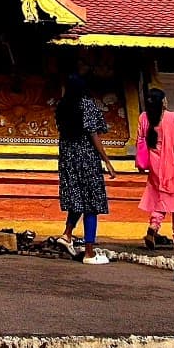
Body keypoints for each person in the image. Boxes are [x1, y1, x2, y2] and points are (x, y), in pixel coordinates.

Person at [55, 74, 118, 265]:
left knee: (77, 199)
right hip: (86, 159)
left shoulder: (62, 106)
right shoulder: (87, 105)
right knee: (91, 202)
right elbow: (94, 134)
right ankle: (89, 253)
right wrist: (106, 160)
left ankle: (67, 234)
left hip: (68, 159)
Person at [137, 88, 174, 251]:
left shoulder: (144, 117)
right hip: (172, 166)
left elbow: (140, 140)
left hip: (155, 166)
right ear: (162, 101)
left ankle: (154, 226)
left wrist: (141, 163)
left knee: (161, 198)